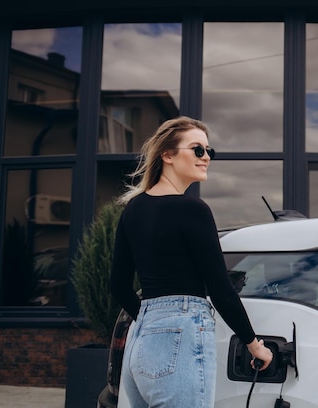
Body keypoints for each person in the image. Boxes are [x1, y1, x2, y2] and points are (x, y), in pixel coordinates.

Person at [110, 116, 273, 408]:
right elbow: (220, 288)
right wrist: (253, 344)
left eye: (210, 151)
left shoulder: (133, 210)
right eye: (198, 149)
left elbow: (119, 286)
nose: (206, 157)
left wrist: (153, 322)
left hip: (140, 342)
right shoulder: (192, 209)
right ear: (168, 154)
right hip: (182, 335)